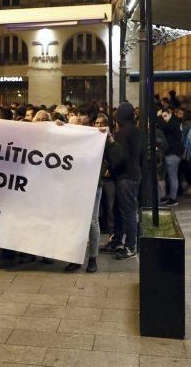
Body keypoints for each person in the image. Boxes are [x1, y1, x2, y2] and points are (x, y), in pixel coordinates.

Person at [66, 112, 121, 273]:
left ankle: (92, 258)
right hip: (75, 184)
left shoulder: (97, 139)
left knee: (92, 221)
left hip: (93, 184)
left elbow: (117, 156)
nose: (96, 126)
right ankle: (75, 258)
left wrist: (109, 138)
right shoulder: (76, 137)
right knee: (76, 222)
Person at [100, 102, 141, 260]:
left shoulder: (124, 132)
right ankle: (118, 241)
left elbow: (121, 156)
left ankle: (130, 246)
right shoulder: (135, 130)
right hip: (131, 175)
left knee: (128, 212)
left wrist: (111, 167)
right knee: (120, 210)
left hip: (126, 177)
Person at [157, 107, 183, 206]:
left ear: (170, 113)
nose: (164, 118)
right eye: (163, 116)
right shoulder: (173, 122)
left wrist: (159, 116)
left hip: (172, 153)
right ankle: (169, 197)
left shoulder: (173, 123)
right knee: (169, 176)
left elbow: (164, 127)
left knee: (172, 176)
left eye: (165, 116)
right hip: (171, 153)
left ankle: (173, 198)